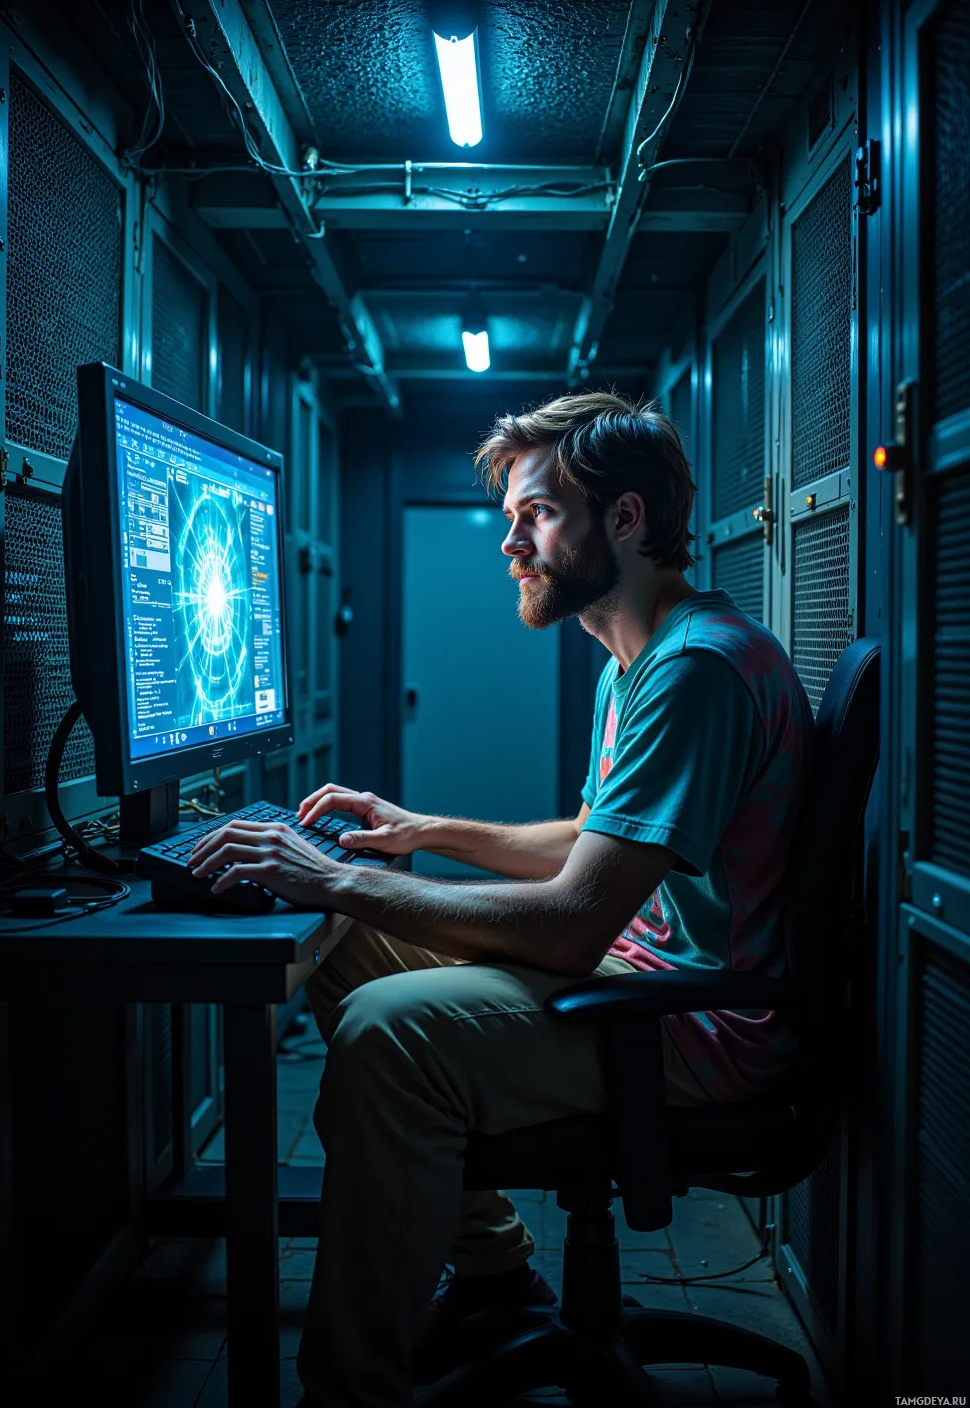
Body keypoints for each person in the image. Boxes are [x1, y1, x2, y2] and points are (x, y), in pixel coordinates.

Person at [188, 392, 815, 1408]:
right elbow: (595, 837)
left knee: (387, 1026)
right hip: (639, 979)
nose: (510, 543)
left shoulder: (693, 669)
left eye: (537, 515)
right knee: (345, 943)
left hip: (696, 1025)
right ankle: (492, 1277)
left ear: (623, 520)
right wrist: (419, 830)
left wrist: (340, 875)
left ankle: (351, 1392)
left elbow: (573, 926)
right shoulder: (639, 655)